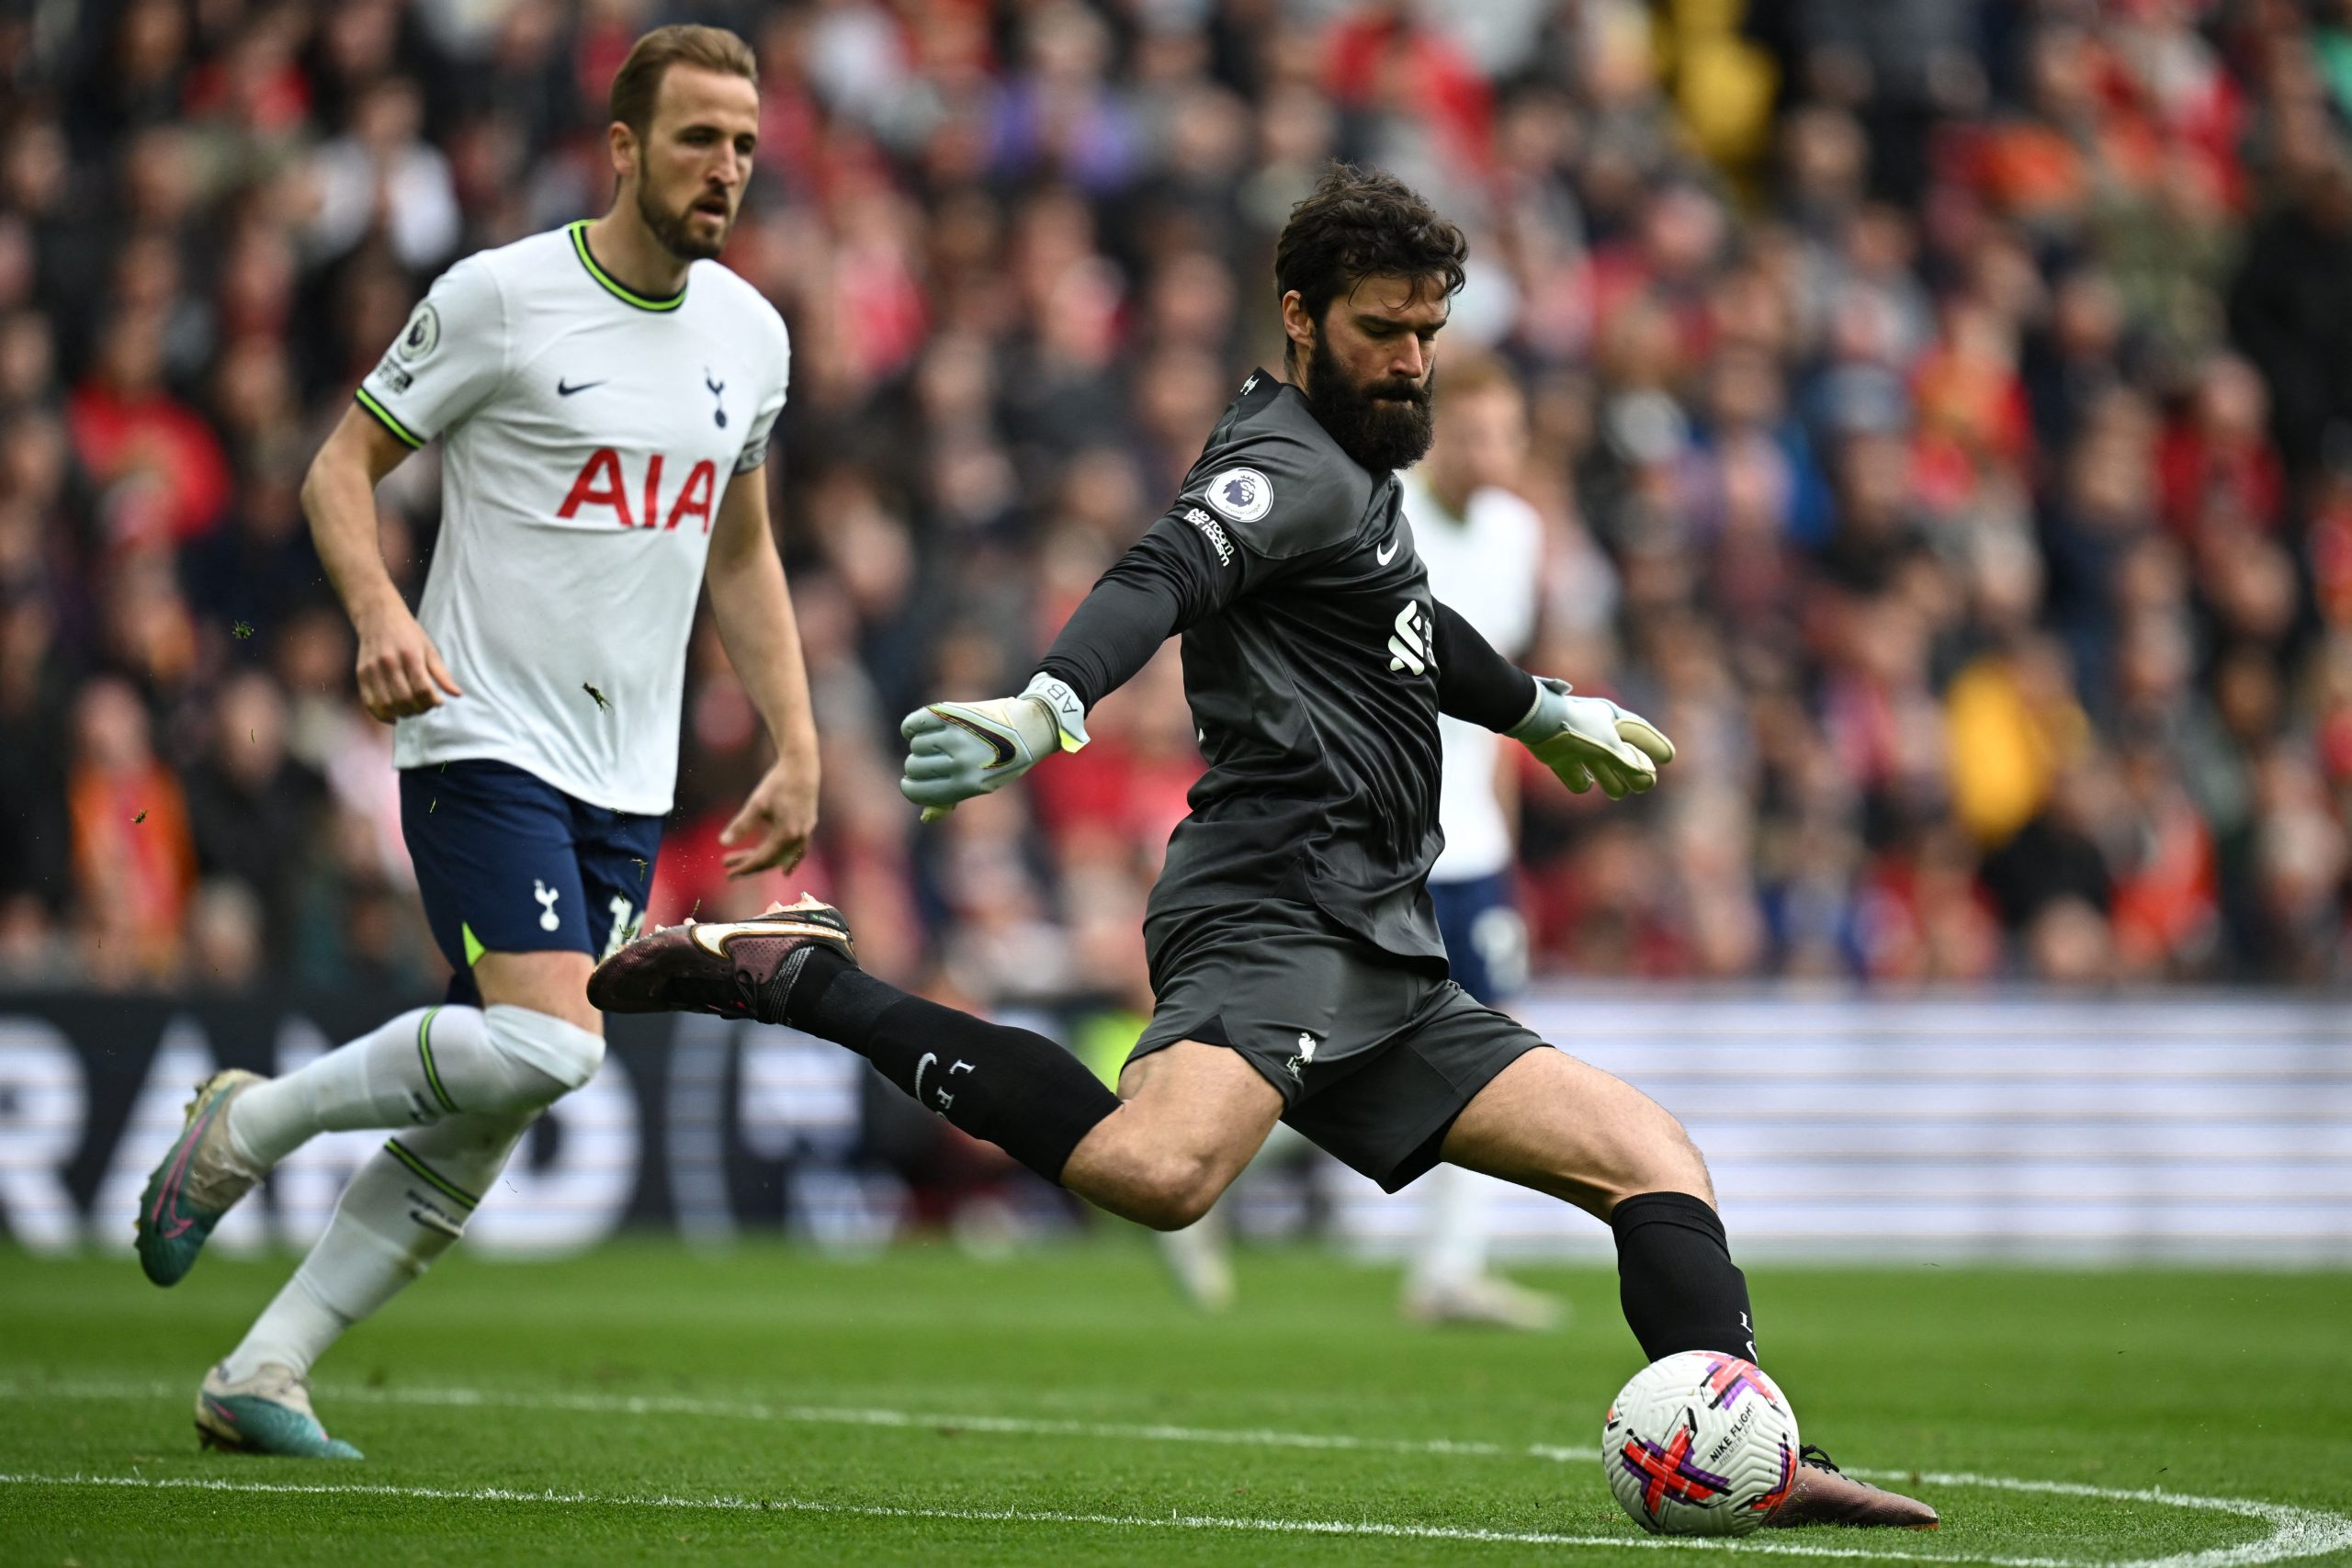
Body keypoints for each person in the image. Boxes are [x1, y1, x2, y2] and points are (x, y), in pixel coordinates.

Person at [594, 164, 1935, 1528]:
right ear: (1299, 317)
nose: (1410, 363)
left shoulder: (1356, 471)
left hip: (1383, 941)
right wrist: (1048, 705)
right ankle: (806, 980)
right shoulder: (1283, 462)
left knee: (1651, 1156)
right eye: (1379, 332)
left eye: (1427, 334)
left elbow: (1404, 625)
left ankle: (1759, 1452)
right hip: (1275, 905)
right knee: (1161, 1174)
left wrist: (1537, 708)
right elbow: (1160, 572)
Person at [132, 25, 817, 1461]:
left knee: (491, 1106)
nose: (727, 170)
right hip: (477, 730)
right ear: (624, 147)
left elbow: (740, 553)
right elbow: (340, 467)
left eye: (746, 145)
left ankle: (265, 1369)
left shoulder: (750, 337)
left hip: (628, 775)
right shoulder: (502, 298)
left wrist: (797, 741)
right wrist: (381, 612)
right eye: (699, 138)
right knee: (553, 1050)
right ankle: (248, 1129)